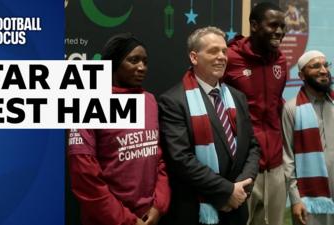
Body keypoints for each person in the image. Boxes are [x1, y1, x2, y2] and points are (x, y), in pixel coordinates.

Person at [158, 26, 260, 225]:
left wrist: (241, 188)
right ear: (194, 57)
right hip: (198, 211)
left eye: (224, 51)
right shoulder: (173, 101)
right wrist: (226, 191)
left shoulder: (237, 97)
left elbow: (253, 147)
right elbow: (181, 159)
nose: (222, 56)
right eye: (213, 51)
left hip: (237, 208)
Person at [67, 33, 171, 225]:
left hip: (149, 217)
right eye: (133, 60)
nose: (142, 67)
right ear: (113, 63)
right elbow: (85, 176)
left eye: (145, 62)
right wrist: (126, 220)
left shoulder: (149, 101)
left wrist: (159, 206)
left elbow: (158, 159)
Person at [223, 2, 288, 225]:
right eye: (273, 25)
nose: (279, 31)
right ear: (254, 25)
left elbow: (276, 105)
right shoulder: (230, 58)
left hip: (276, 165)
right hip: (244, 167)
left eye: (282, 25)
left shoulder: (281, 60)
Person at [282, 50, 334, 225]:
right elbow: (287, 158)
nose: (323, 70)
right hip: (310, 198)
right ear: (302, 75)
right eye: (315, 66)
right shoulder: (291, 109)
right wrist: (295, 199)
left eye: (325, 65)